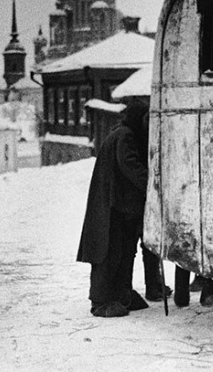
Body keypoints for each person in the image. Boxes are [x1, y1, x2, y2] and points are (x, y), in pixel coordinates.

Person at [77, 100, 151, 318]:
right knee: (107, 252)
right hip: (110, 205)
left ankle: (120, 293)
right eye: (146, 119)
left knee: (124, 250)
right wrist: (153, 186)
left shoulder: (124, 133)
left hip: (119, 204)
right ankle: (100, 301)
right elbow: (130, 166)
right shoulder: (125, 136)